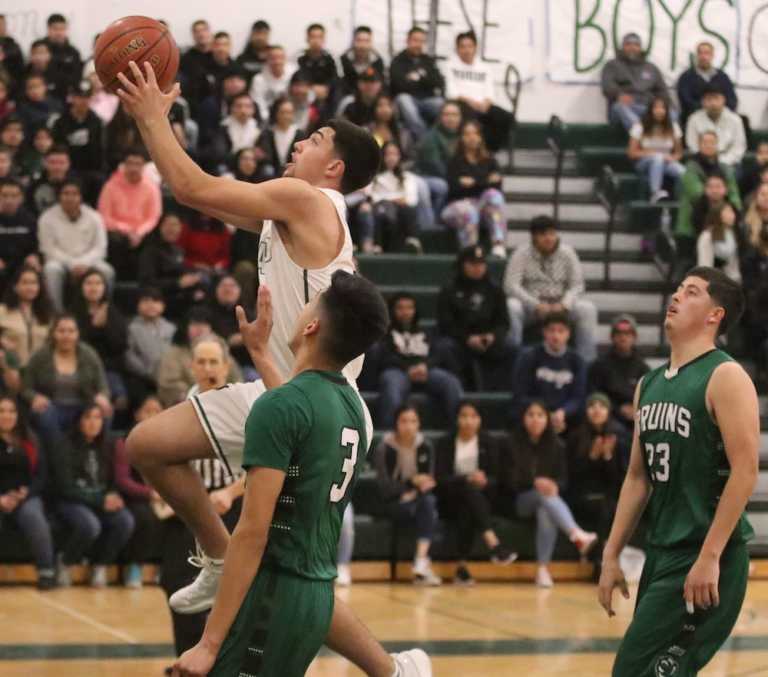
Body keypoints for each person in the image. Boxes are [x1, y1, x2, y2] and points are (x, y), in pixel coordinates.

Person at [117, 61, 427, 677]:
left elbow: (192, 189)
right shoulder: (287, 209)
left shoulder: (304, 198)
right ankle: (218, 556)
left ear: (333, 167)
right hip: (279, 385)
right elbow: (196, 193)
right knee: (148, 445)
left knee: (291, 564)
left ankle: (392, 671)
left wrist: (153, 116)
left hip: (320, 399)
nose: (298, 143)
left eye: (313, 141)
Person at [598, 268, 757, 675]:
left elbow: (746, 470)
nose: (676, 296)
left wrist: (710, 556)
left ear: (714, 315)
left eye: (691, 292)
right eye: (677, 289)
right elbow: (637, 477)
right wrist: (611, 553)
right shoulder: (648, 384)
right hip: (662, 552)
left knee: (634, 671)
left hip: (705, 556)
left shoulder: (725, 376)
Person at [163, 335, 247, 662]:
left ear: (226, 367)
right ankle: (187, 658)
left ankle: (228, 659)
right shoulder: (182, 408)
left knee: (234, 588)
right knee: (175, 581)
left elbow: (262, 466)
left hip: (234, 503)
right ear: (192, 367)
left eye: (215, 362)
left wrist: (229, 491)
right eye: (203, 362)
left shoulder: (243, 406)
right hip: (192, 507)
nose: (209, 368)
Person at [504, 400, 597, 588]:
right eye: (531, 415)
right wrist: (535, 483)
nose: (535, 420)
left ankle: (542, 570)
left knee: (545, 510)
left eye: (540, 415)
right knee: (543, 497)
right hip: (519, 501)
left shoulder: (556, 445)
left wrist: (554, 485)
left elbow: (563, 480)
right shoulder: (511, 443)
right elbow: (508, 481)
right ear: (523, 418)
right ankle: (575, 533)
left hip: (546, 502)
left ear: (547, 419)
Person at [49, 403, 134, 587]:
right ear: (78, 421)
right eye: (87, 417)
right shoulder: (64, 445)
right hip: (70, 501)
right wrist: (101, 500)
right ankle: (65, 562)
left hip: (101, 500)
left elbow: (114, 479)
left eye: (97, 417)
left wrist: (113, 495)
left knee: (125, 521)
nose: (93, 422)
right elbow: (65, 487)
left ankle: (100, 565)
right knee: (90, 525)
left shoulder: (108, 444)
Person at [435, 401, 516, 585]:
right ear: (457, 419)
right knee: (467, 490)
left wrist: (484, 481)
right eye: (464, 416)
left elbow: (497, 478)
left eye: (473, 416)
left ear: (479, 420)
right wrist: (466, 479)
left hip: (482, 498)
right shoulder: (445, 442)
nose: (468, 421)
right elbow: (440, 478)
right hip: (449, 499)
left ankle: (462, 569)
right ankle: (493, 544)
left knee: (469, 504)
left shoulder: (489, 442)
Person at [504, 215, 597, 362]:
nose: (549, 238)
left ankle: (587, 364)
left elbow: (577, 285)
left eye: (552, 233)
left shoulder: (568, 253)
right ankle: (513, 359)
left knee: (587, 309)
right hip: (532, 307)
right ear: (534, 237)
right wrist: (535, 304)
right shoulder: (521, 253)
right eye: (543, 234)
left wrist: (565, 304)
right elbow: (511, 285)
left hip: (561, 306)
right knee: (511, 306)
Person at [373, 404, 442, 587]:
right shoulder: (384, 447)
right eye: (404, 421)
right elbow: (385, 487)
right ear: (396, 423)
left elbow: (429, 482)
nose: (409, 426)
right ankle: (422, 564)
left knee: (428, 502)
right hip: (391, 502)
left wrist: (415, 490)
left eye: (413, 421)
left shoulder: (426, 445)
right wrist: (411, 483)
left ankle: (420, 561)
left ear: (419, 424)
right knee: (427, 507)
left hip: (417, 500)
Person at [23, 313, 112, 447]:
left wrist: (103, 397)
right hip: (51, 406)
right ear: (53, 333)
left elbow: (103, 385)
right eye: (61, 331)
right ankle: (59, 459)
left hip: (83, 405)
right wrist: (34, 397)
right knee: (45, 415)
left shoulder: (89, 354)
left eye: (71, 331)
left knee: (105, 412)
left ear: (77, 333)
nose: (66, 335)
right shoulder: (40, 356)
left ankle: (95, 458)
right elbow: (25, 387)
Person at [376, 291, 463, 429]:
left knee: (451, 382)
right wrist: (407, 368)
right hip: (397, 371)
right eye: (400, 308)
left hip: (425, 371)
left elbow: (437, 354)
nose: (405, 312)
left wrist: (425, 366)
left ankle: (458, 429)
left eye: (409, 307)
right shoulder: (384, 332)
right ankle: (390, 433)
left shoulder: (426, 332)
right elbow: (384, 357)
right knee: (391, 383)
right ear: (392, 310)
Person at [437, 245, 515, 391]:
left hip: (489, 341)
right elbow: (445, 324)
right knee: (445, 347)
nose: (477, 268)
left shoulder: (495, 290)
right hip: (460, 341)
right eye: (472, 264)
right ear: (462, 265)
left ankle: (503, 389)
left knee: (511, 346)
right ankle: (460, 388)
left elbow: (504, 322)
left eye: (481, 264)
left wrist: (493, 336)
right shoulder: (449, 290)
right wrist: (467, 338)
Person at [0, 394, 55, 589]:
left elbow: (41, 474)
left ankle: (46, 570)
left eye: (11, 411)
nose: (7, 415)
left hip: (25, 496)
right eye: (2, 411)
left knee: (33, 515)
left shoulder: (31, 440)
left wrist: (27, 492)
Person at [567, 393, 629, 562]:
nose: (596, 410)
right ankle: (602, 562)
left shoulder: (619, 436)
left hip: (609, 495)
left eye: (601, 406)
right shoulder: (576, 436)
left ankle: (599, 562)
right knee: (604, 509)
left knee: (608, 508)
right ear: (586, 411)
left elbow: (621, 478)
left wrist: (608, 457)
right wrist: (592, 458)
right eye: (592, 406)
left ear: (608, 411)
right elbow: (573, 477)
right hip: (583, 495)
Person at [38, 179, 114, 312]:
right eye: (66, 193)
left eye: (75, 194)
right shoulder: (47, 218)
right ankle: (56, 313)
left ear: (81, 197)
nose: (70, 198)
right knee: (51, 270)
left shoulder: (94, 217)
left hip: (89, 261)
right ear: (59, 196)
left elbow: (100, 248)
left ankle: (103, 311)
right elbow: (48, 248)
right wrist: (72, 264)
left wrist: (83, 262)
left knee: (107, 271)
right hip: (60, 261)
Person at [113, 395, 165, 589]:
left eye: (157, 411)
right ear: (137, 414)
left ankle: (166, 566)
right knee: (146, 518)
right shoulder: (124, 441)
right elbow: (123, 480)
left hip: (164, 494)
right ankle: (134, 566)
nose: (152, 415)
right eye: (147, 410)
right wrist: (150, 493)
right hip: (135, 496)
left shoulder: (170, 440)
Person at [674, 133, 741, 279]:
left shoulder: (725, 168)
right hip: (693, 226)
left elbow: (735, 196)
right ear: (699, 145)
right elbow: (697, 194)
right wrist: (721, 210)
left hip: (721, 228)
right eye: (705, 142)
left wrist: (731, 211)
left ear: (717, 145)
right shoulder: (690, 167)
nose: (709, 145)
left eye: (712, 142)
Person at [511, 312, 588, 435]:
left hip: (565, 419)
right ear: (544, 332)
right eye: (551, 331)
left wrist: (563, 412)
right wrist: (544, 414)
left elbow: (578, 397)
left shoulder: (577, 361)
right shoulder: (528, 358)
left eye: (561, 331)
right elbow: (520, 394)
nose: (556, 336)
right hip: (534, 415)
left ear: (568, 334)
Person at [441, 119, 506, 255]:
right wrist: (485, 181)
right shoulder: (454, 161)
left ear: (480, 137)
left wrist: (473, 182)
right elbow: (454, 188)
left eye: (475, 134)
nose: (471, 137)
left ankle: (498, 244)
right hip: (457, 206)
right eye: (467, 134)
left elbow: (497, 186)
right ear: (461, 138)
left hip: (482, 206)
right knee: (470, 211)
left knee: (494, 195)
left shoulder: (490, 161)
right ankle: (470, 252)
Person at [156, 307, 242, 408]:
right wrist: (199, 395)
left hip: (224, 402)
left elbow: (237, 379)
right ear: (186, 327)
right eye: (194, 324)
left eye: (205, 324)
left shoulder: (219, 348)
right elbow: (168, 384)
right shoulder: (174, 353)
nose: (200, 328)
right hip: (188, 404)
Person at [444, 31, 512, 152]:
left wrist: (487, 102)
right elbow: (451, 91)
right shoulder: (450, 66)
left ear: (475, 48)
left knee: (505, 117)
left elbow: (490, 89)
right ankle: (473, 150)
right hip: (462, 103)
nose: (467, 50)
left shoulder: (484, 67)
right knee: (473, 117)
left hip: (483, 105)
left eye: (470, 46)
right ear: (458, 49)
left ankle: (489, 151)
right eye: (463, 47)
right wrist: (470, 101)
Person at [71, 268, 129, 411]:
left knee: (113, 383)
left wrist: (105, 327)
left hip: (108, 366)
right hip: (80, 365)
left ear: (105, 287)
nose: (93, 287)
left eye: (98, 283)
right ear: (81, 287)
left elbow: (121, 345)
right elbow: (74, 344)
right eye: (89, 283)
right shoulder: (73, 312)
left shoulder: (113, 312)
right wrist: (95, 327)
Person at [98, 148, 162, 276]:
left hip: (143, 232)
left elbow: (154, 216)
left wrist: (139, 232)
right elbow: (104, 216)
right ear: (124, 165)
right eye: (130, 163)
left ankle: (145, 283)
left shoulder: (151, 187)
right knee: (115, 240)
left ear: (143, 167)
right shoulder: (110, 186)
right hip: (118, 231)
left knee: (153, 241)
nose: (134, 168)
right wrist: (127, 230)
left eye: (138, 164)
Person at [137, 213, 207, 317]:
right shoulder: (149, 251)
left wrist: (194, 280)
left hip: (179, 296)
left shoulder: (178, 250)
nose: (172, 229)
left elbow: (182, 272)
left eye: (176, 225)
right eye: (168, 224)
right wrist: (177, 283)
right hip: (160, 298)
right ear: (159, 227)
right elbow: (147, 282)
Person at [588, 314, 650, 429]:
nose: (623, 337)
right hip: (608, 416)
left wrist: (636, 408)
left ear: (634, 337)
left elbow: (649, 396)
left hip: (636, 416)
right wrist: (617, 409)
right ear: (612, 337)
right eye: (619, 334)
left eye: (628, 334)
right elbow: (594, 395)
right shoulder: (599, 365)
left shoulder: (642, 367)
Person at [358, 141, 421, 253]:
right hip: (380, 210)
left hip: (400, 212)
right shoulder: (375, 177)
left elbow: (411, 200)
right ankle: (377, 246)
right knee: (380, 210)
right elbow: (372, 197)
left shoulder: (407, 177)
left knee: (408, 210)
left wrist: (388, 198)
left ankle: (412, 241)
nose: (391, 158)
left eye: (395, 154)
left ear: (400, 156)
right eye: (388, 154)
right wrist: (394, 199)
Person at [601, 33, 670, 130]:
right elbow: (607, 87)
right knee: (620, 107)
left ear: (640, 48)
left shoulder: (651, 68)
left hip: (648, 108)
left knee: (672, 113)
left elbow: (663, 91)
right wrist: (618, 95)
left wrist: (660, 103)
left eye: (636, 45)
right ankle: (640, 134)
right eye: (628, 44)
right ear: (623, 47)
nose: (632, 47)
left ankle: (649, 133)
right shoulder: (612, 65)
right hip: (624, 107)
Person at [50, 81, 104, 201]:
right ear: (72, 98)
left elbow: (100, 150)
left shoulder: (96, 122)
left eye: (86, 97)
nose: (83, 101)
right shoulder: (60, 122)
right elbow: (56, 148)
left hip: (91, 169)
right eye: (79, 97)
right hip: (68, 169)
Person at [413, 100, 462, 228]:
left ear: (460, 118)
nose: (451, 118)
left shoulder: (463, 135)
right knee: (442, 186)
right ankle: (433, 223)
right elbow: (435, 167)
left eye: (455, 114)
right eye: (447, 114)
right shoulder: (431, 137)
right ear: (440, 117)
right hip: (426, 176)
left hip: (452, 176)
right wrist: (457, 179)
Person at [124, 287, 176, 406]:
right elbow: (129, 355)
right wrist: (147, 372)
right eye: (146, 301)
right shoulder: (131, 328)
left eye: (156, 301)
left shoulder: (171, 328)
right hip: (143, 378)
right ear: (138, 305)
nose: (151, 305)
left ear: (163, 306)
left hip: (168, 377)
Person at [627, 96, 684, 203]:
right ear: (650, 110)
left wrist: (672, 158)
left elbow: (679, 153)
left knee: (682, 171)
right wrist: (652, 154)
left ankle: (680, 199)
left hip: (666, 161)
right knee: (657, 158)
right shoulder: (639, 126)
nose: (659, 111)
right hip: (644, 162)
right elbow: (631, 153)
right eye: (656, 108)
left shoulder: (673, 127)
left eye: (662, 108)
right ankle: (655, 193)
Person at [390, 27, 445, 137]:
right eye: (415, 40)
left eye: (421, 41)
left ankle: (439, 137)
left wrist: (417, 78)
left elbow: (439, 82)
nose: (418, 44)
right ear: (408, 41)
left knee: (442, 104)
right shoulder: (398, 61)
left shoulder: (428, 60)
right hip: (407, 99)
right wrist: (424, 79)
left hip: (427, 100)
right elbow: (398, 85)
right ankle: (425, 138)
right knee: (404, 100)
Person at [0, 266, 53, 367]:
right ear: (15, 286)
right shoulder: (2, 311)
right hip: (8, 370)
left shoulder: (48, 314)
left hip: (40, 372)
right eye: (24, 282)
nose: (30, 287)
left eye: (34, 283)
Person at [677, 41, 738, 129]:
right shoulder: (686, 77)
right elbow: (685, 101)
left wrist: (717, 109)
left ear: (712, 55)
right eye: (700, 53)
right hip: (695, 121)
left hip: (721, 120)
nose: (703, 57)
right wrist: (707, 110)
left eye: (707, 53)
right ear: (697, 56)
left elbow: (732, 100)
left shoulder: (722, 77)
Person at [685, 84, 746, 170]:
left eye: (716, 98)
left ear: (724, 100)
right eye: (709, 99)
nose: (713, 103)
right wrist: (708, 161)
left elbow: (738, 148)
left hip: (729, 163)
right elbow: (692, 146)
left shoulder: (736, 120)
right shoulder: (693, 119)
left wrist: (720, 162)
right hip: (702, 162)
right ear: (703, 101)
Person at [0, 178, 39, 293]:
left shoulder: (30, 219)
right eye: (4, 195)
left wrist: (34, 256)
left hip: (22, 264)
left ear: (21, 198)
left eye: (14, 196)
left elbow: (35, 246)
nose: (9, 200)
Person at [257, 97, 306, 178]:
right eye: (282, 112)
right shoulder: (268, 134)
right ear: (276, 113)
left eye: (289, 112)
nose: (286, 116)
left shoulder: (300, 134)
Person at [249, 46, 296, 122]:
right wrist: (267, 119)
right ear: (267, 60)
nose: (277, 61)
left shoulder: (294, 74)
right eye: (273, 58)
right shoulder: (258, 79)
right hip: (267, 119)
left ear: (285, 58)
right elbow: (258, 103)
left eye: (280, 57)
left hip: (291, 116)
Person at [697, 203, 741, 282]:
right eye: (728, 212)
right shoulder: (707, 236)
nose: (733, 215)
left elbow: (734, 262)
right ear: (718, 214)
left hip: (731, 279)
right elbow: (705, 264)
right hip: (712, 280)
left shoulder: (732, 234)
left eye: (732, 212)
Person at [25, 144, 72, 216]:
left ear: (68, 164)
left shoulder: (78, 185)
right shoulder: (34, 187)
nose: (57, 167)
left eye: (61, 163)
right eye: (52, 162)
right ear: (44, 163)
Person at [42, 13, 82, 96]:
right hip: (44, 96)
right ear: (48, 29)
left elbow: (76, 78)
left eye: (62, 29)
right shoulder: (40, 49)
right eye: (55, 29)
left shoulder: (73, 52)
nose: (59, 33)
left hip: (66, 97)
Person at [297, 23, 338, 101]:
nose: (316, 40)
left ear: (324, 39)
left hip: (327, 94)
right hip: (306, 92)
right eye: (313, 37)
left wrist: (326, 87)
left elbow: (337, 78)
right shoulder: (299, 57)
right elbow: (297, 78)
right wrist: (311, 87)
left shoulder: (332, 57)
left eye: (319, 37)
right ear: (307, 39)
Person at [340, 25, 385, 95]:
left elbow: (381, 84)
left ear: (371, 43)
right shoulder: (343, 60)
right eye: (359, 40)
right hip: (348, 96)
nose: (362, 45)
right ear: (353, 42)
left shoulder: (377, 61)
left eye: (366, 41)